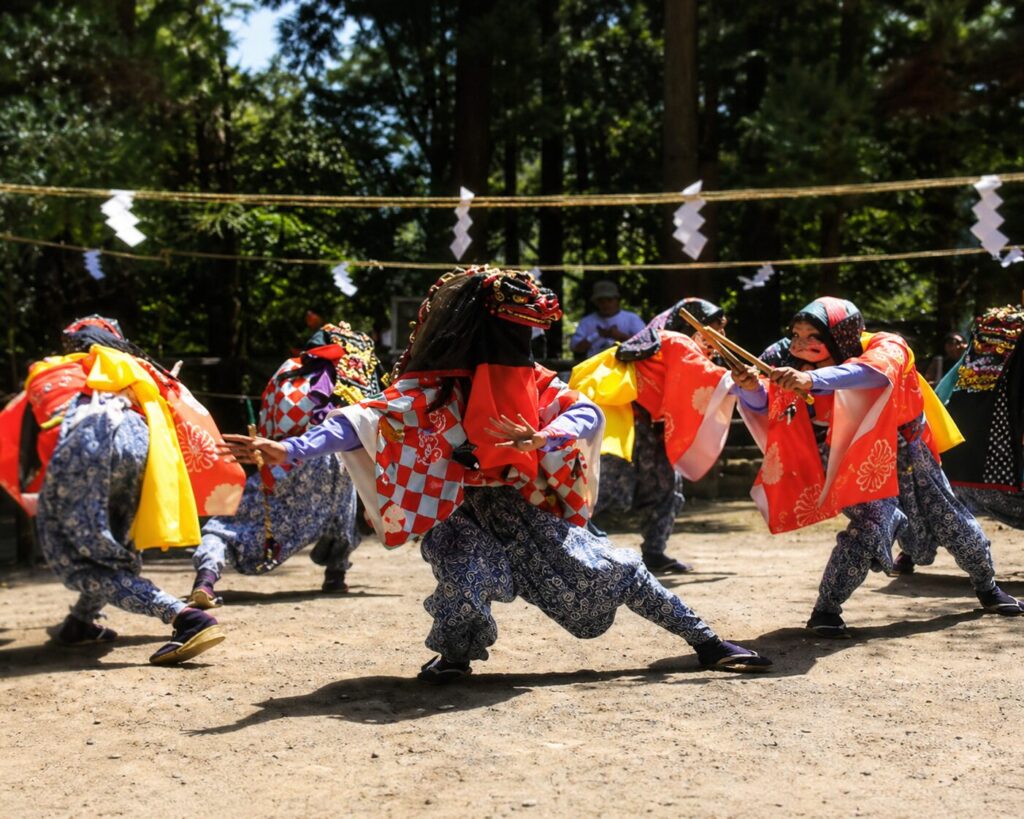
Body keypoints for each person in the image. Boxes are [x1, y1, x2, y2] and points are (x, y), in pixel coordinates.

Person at [223, 268, 772, 681]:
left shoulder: (531, 379)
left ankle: (707, 642)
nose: (522, 344)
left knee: (614, 569)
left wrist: (544, 437)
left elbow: (586, 411)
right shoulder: (435, 386)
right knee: (466, 578)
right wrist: (291, 447)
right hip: (459, 510)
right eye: (513, 332)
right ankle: (455, 657)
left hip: (527, 505)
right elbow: (365, 422)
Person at [738, 297, 1023, 637]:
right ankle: (826, 609)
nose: (800, 343)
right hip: (858, 457)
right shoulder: (797, 364)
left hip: (909, 452)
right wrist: (751, 387)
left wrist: (810, 381)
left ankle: (987, 586)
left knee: (952, 521)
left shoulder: (886, 345)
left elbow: (868, 374)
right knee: (870, 525)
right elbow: (773, 403)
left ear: (838, 335)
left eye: (811, 335)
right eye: (796, 334)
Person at [0, 316, 245, 665]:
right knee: (114, 543)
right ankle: (81, 623)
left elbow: (22, 437)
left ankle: (186, 618)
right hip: (139, 438)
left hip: (85, 436)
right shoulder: (129, 366)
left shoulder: (50, 369)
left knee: (76, 560)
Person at [187, 323, 381, 608]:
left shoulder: (289, 371)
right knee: (342, 515)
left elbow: (270, 420)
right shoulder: (359, 375)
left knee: (232, 523)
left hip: (287, 457)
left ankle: (206, 576)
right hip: (338, 457)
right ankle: (335, 575)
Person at [572, 298, 738, 574]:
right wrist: (741, 382)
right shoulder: (673, 339)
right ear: (692, 324)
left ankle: (654, 552)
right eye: (715, 328)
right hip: (626, 422)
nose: (720, 336)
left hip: (652, 427)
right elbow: (706, 377)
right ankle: (566, 546)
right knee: (608, 489)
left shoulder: (679, 345)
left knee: (666, 488)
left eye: (722, 329)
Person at [934, 304, 1024, 530]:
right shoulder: (1015, 364)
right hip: (1005, 477)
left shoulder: (968, 363)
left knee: (939, 509)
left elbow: (939, 397)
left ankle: (908, 554)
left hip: (957, 472)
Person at [569, 280, 645, 358]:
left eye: (609, 300)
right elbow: (575, 348)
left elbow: (645, 345)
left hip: (626, 366)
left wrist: (620, 336)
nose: (605, 304)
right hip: (595, 367)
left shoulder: (632, 319)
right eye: (601, 301)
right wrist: (596, 335)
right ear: (596, 302)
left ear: (617, 300)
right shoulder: (587, 321)